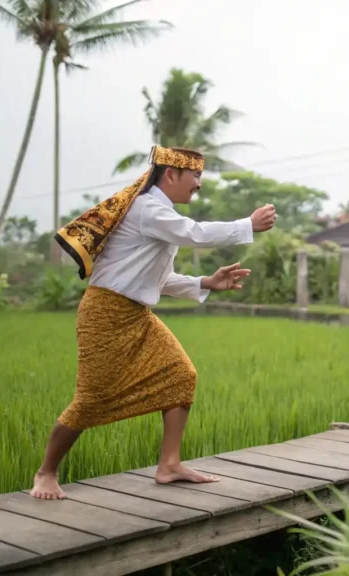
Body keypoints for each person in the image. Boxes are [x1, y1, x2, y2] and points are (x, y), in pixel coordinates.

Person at [30, 145, 278, 499]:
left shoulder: (158, 214)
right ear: (172, 174)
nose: (199, 184)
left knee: (180, 375)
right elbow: (195, 233)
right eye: (195, 176)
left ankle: (170, 465)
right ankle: (46, 472)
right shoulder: (148, 209)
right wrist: (247, 225)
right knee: (91, 399)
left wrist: (206, 282)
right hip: (105, 314)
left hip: (136, 314)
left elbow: (157, 279)